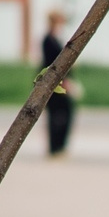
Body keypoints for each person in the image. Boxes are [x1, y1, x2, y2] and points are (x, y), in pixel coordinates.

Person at [39, 10, 75, 157]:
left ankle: (60, 145)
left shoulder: (56, 38)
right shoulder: (48, 40)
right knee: (57, 114)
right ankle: (55, 147)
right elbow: (51, 62)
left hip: (61, 81)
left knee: (65, 112)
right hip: (54, 84)